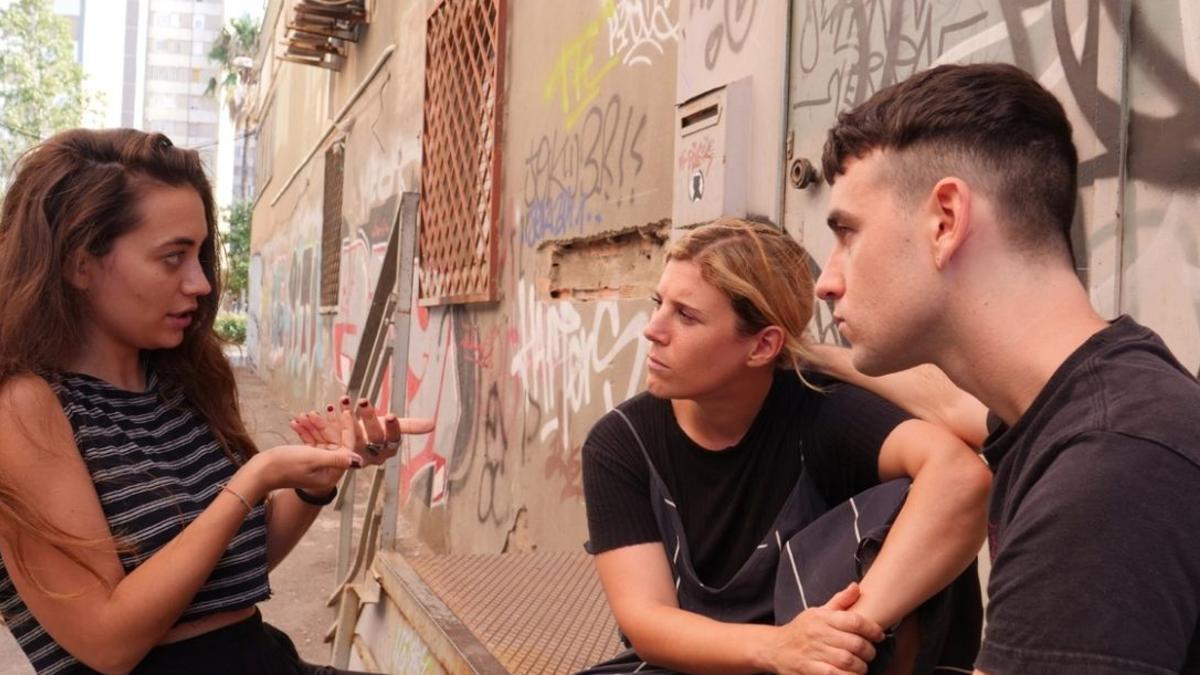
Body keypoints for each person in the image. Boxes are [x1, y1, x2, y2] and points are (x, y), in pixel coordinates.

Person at [0, 128, 432, 674]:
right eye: (172, 258)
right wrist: (252, 480)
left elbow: (229, 569)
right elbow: (108, 642)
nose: (201, 283)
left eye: (201, 254)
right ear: (79, 262)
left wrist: (311, 484)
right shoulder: (25, 410)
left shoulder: (178, 379)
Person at [816, 63, 1200, 674]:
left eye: (847, 234)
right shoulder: (1087, 401)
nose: (826, 281)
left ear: (944, 220)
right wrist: (802, 350)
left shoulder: (1109, 466)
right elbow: (944, 403)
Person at [578, 218, 992, 675]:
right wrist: (781, 647)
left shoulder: (818, 411)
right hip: (700, 663)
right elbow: (646, 622)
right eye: (660, 304)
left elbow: (961, 475)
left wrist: (840, 633)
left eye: (686, 315)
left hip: (829, 665)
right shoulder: (622, 443)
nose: (652, 330)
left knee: (915, 501)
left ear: (763, 346)